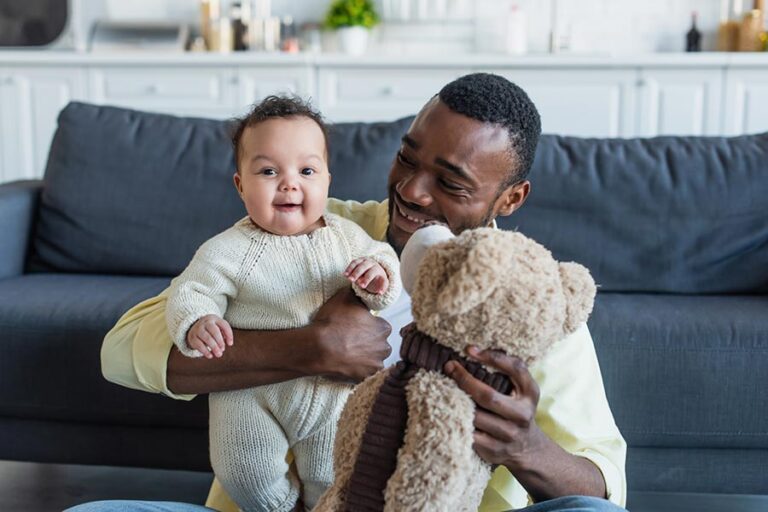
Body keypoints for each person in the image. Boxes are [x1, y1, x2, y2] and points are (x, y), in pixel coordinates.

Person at [74, 73, 627, 512]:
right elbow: (122, 351)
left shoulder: (532, 300)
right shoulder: (315, 228)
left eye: (451, 183)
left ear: (511, 199)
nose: (411, 191)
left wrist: (521, 445)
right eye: (408, 158)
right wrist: (308, 348)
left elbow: (603, 487)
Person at [165, 95, 400, 512]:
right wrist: (197, 320)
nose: (289, 183)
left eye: (306, 171)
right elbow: (191, 290)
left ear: (327, 181)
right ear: (240, 185)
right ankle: (282, 509)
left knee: (334, 473)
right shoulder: (229, 249)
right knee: (242, 470)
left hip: (332, 393)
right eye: (269, 171)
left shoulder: (346, 238)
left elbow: (385, 267)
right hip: (249, 391)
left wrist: (376, 277)